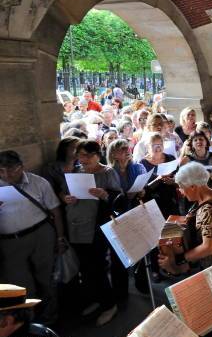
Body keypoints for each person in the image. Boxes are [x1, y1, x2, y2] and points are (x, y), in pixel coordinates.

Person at [0, 151, 66, 325]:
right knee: (19, 284)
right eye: (1, 171)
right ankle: (29, 322)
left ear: (21, 167)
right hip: (10, 241)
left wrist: (60, 238)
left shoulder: (38, 182)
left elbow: (55, 211)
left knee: (46, 278)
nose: (6, 175)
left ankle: (50, 317)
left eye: (11, 170)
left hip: (41, 234)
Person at [62, 140, 122, 326]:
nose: (84, 159)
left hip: (97, 225)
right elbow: (64, 193)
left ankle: (109, 304)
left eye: (88, 155)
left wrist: (104, 195)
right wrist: (66, 198)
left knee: (98, 265)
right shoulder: (76, 172)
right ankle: (96, 299)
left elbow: (118, 198)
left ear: (98, 155)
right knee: (85, 267)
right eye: (81, 155)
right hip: (76, 225)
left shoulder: (107, 172)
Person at [158, 162, 212, 274]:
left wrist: (179, 259)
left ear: (193, 186)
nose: (181, 192)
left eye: (181, 188)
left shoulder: (208, 209)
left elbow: (208, 248)